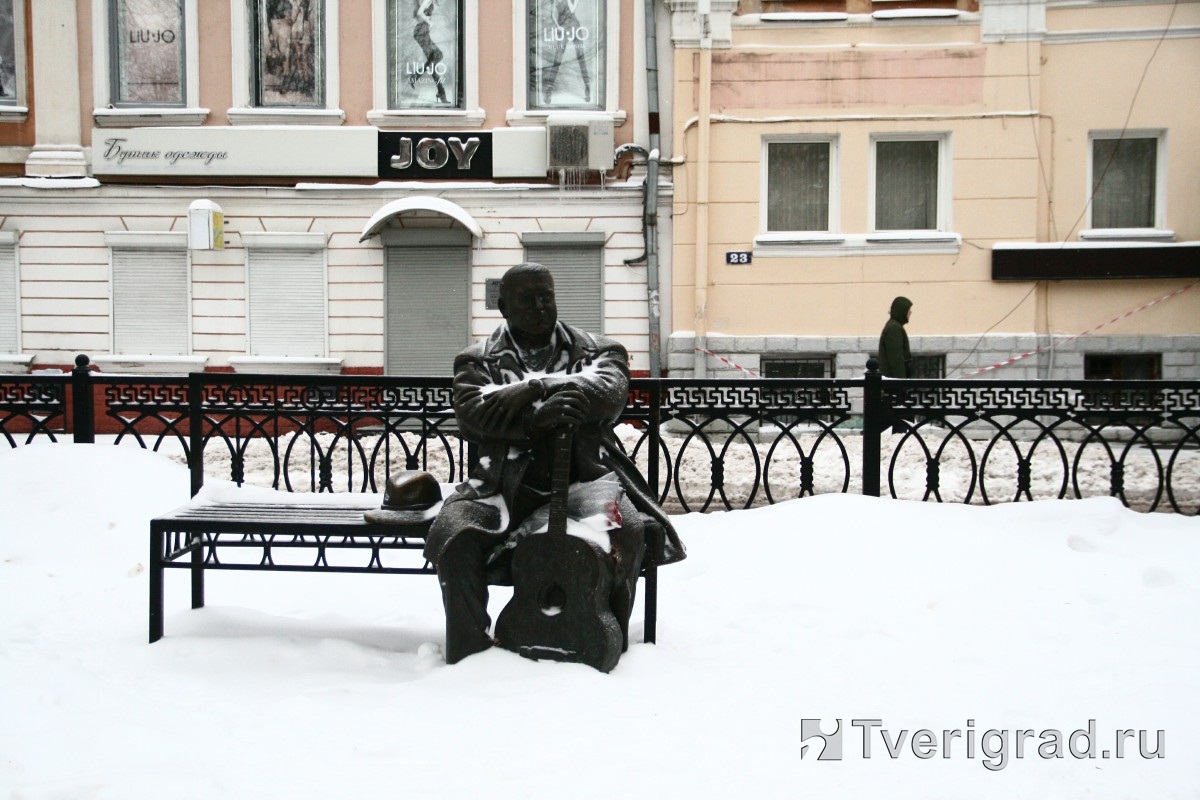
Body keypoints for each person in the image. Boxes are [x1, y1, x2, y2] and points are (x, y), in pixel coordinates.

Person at [425, 263, 685, 664]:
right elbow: (474, 415)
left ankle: (604, 641)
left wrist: (534, 387)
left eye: (546, 296)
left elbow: (608, 393)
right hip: (501, 488)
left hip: (585, 483)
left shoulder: (598, 350)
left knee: (627, 530)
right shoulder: (476, 360)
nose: (539, 306)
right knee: (454, 536)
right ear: (503, 306)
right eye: (526, 299)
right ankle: (470, 654)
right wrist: (536, 419)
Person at [877, 296, 914, 433]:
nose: (910, 313)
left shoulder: (894, 326)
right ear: (901, 311)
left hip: (893, 383)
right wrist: (901, 383)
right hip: (895, 384)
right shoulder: (894, 328)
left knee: (895, 417)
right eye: (908, 310)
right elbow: (896, 359)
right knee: (900, 417)